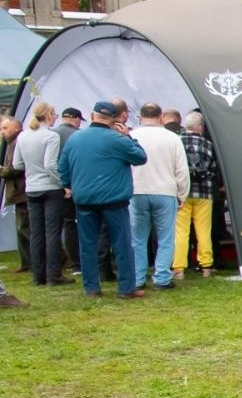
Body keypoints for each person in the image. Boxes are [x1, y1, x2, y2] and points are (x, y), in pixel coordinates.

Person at [57, 101, 148, 299]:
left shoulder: (75, 138)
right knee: (122, 244)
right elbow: (140, 157)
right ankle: (126, 289)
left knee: (88, 244)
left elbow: (63, 168)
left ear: (92, 115)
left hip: (84, 200)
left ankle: (91, 288)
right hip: (114, 200)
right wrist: (129, 137)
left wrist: (69, 185)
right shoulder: (117, 140)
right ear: (115, 120)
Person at [128, 102, 189, 291]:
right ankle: (162, 277)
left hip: (137, 191)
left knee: (138, 238)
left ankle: (138, 278)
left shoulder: (131, 136)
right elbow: (181, 170)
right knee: (166, 237)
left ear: (140, 116)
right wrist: (182, 194)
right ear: (161, 116)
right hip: (165, 191)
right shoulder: (172, 138)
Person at [17, 100, 68, 286]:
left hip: (32, 188)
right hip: (50, 188)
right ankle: (54, 274)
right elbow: (50, 165)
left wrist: (32, 171)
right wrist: (63, 184)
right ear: (48, 115)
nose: (56, 117)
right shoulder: (51, 136)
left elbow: (17, 164)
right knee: (52, 232)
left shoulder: (23, 136)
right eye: (54, 114)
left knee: (36, 233)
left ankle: (38, 275)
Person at [173, 111, 219, 280]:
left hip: (182, 194)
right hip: (204, 194)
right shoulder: (208, 145)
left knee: (181, 231)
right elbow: (213, 169)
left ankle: (179, 268)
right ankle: (206, 265)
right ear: (200, 127)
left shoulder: (177, 142)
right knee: (203, 231)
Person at [54, 107, 84, 274]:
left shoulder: (51, 134)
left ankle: (73, 263)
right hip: (76, 186)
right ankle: (83, 261)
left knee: (66, 224)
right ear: (76, 119)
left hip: (56, 186)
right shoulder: (78, 135)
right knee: (80, 223)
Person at [0, 115, 27, 274]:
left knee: (26, 227)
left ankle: (59, 257)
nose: (2, 132)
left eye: (5, 128)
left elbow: (16, 167)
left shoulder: (18, 142)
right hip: (18, 191)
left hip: (21, 190)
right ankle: (27, 262)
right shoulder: (12, 143)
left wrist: (2, 170)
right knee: (21, 228)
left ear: (16, 127)